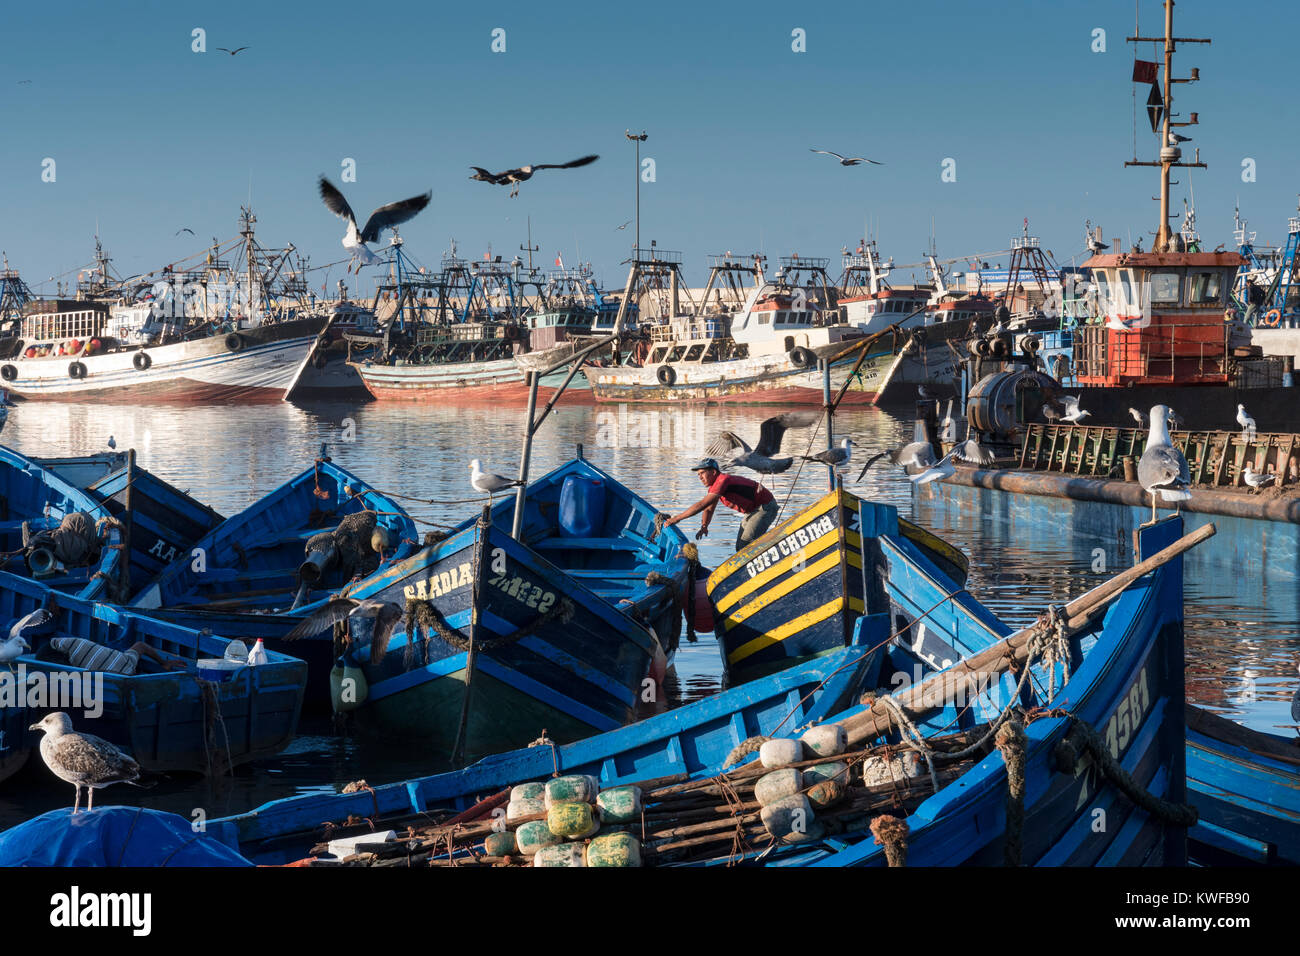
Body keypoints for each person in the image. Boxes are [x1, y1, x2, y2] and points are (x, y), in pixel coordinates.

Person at [664, 458, 780, 552]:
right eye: (698, 474)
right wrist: (704, 526)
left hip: (765, 507)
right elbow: (708, 509)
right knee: (740, 548)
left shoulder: (722, 480)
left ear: (714, 472)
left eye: (702, 473)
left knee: (746, 545)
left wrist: (676, 518)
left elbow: (702, 504)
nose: (700, 477)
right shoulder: (715, 487)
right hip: (753, 510)